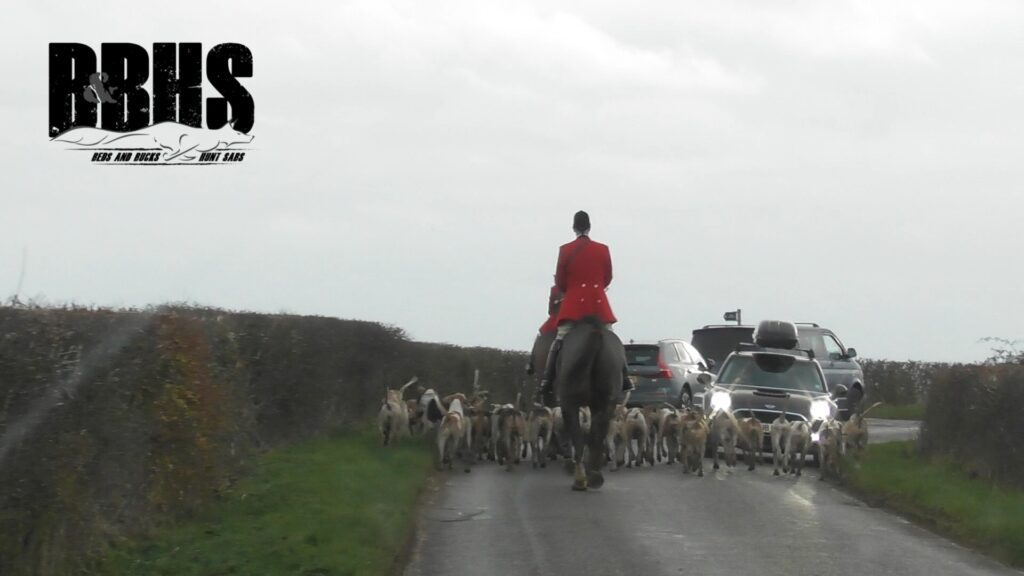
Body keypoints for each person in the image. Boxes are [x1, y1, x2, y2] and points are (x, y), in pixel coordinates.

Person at [535, 210, 633, 406]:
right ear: (589, 227)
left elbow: (561, 281)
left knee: (560, 337)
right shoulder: (603, 249)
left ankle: (547, 379)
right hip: (598, 304)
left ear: (574, 227)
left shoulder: (565, 250)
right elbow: (608, 277)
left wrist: (572, 291)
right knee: (612, 338)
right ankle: (625, 378)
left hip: (573, 306)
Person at [525, 281, 562, 376]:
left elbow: (550, 310)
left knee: (540, 334)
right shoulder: (572, 287)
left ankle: (531, 362)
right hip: (571, 318)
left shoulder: (555, 289)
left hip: (556, 319)